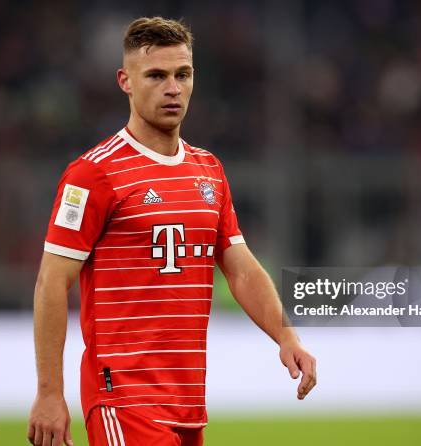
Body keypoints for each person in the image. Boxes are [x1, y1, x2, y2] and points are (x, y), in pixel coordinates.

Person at [27, 16, 316, 446]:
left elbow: (239, 267)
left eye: (183, 74)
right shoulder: (93, 174)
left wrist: (285, 333)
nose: (173, 88)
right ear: (125, 80)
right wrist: (50, 393)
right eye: (157, 75)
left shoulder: (209, 170)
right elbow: (53, 280)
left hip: (187, 404)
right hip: (122, 399)